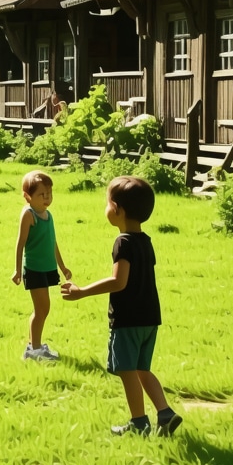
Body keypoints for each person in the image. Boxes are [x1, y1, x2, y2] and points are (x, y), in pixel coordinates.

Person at [61, 176, 182, 438]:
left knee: (128, 372)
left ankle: (139, 423)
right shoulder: (145, 241)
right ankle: (165, 413)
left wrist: (82, 292)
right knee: (142, 369)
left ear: (116, 209)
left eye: (107, 203)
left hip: (128, 320)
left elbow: (119, 282)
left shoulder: (123, 242)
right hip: (150, 318)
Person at [12, 170, 71, 361]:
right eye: (41, 195)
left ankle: (34, 347)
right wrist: (17, 269)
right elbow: (20, 243)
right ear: (27, 197)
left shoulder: (48, 214)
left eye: (49, 194)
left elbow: (52, 242)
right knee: (42, 309)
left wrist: (62, 266)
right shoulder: (29, 215)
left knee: (43, 309)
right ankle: (34, 350)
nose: (47, 198)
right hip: (35, 269)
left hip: (47, 267)